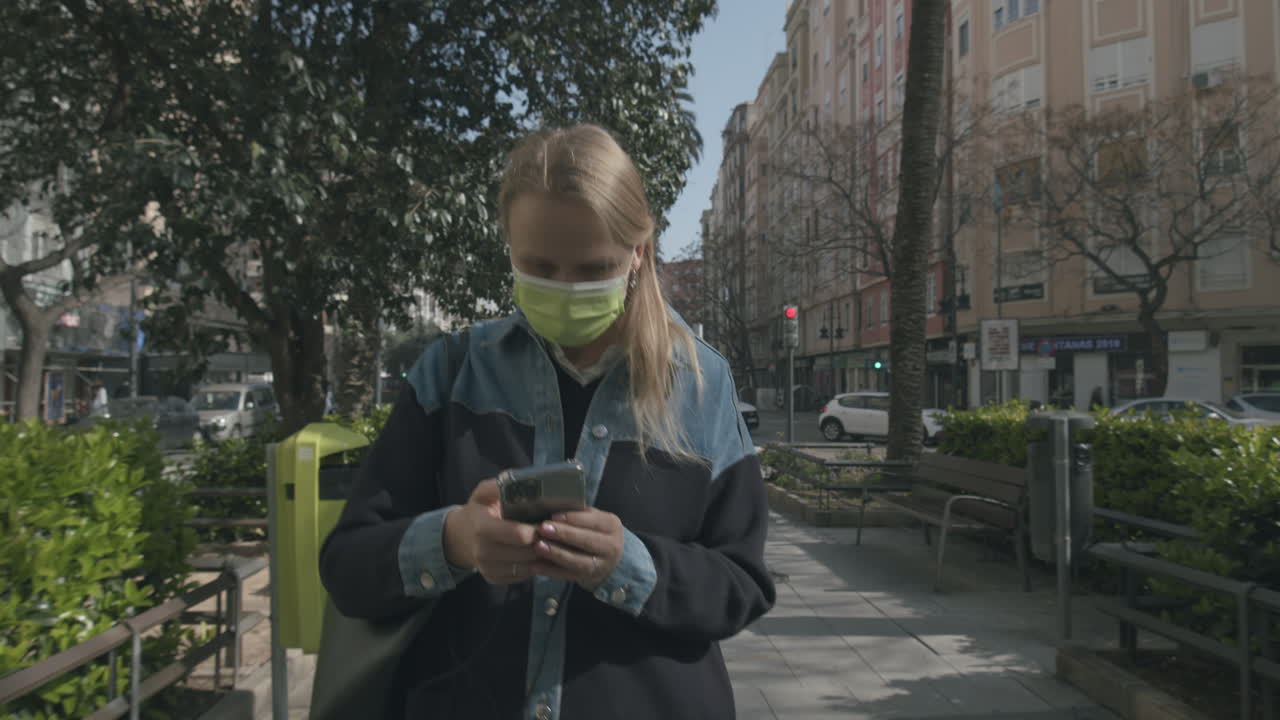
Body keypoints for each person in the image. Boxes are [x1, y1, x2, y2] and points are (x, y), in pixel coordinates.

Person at [319, 124, 776, 720]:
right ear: (508, 244)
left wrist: (630, 566)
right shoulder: (452, 375)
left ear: (638, 252)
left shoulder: (701, 386)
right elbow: (347, 568)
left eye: (592, 268)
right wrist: (454, 541)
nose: (564, 288)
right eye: (538, 265)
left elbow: (742, 584)